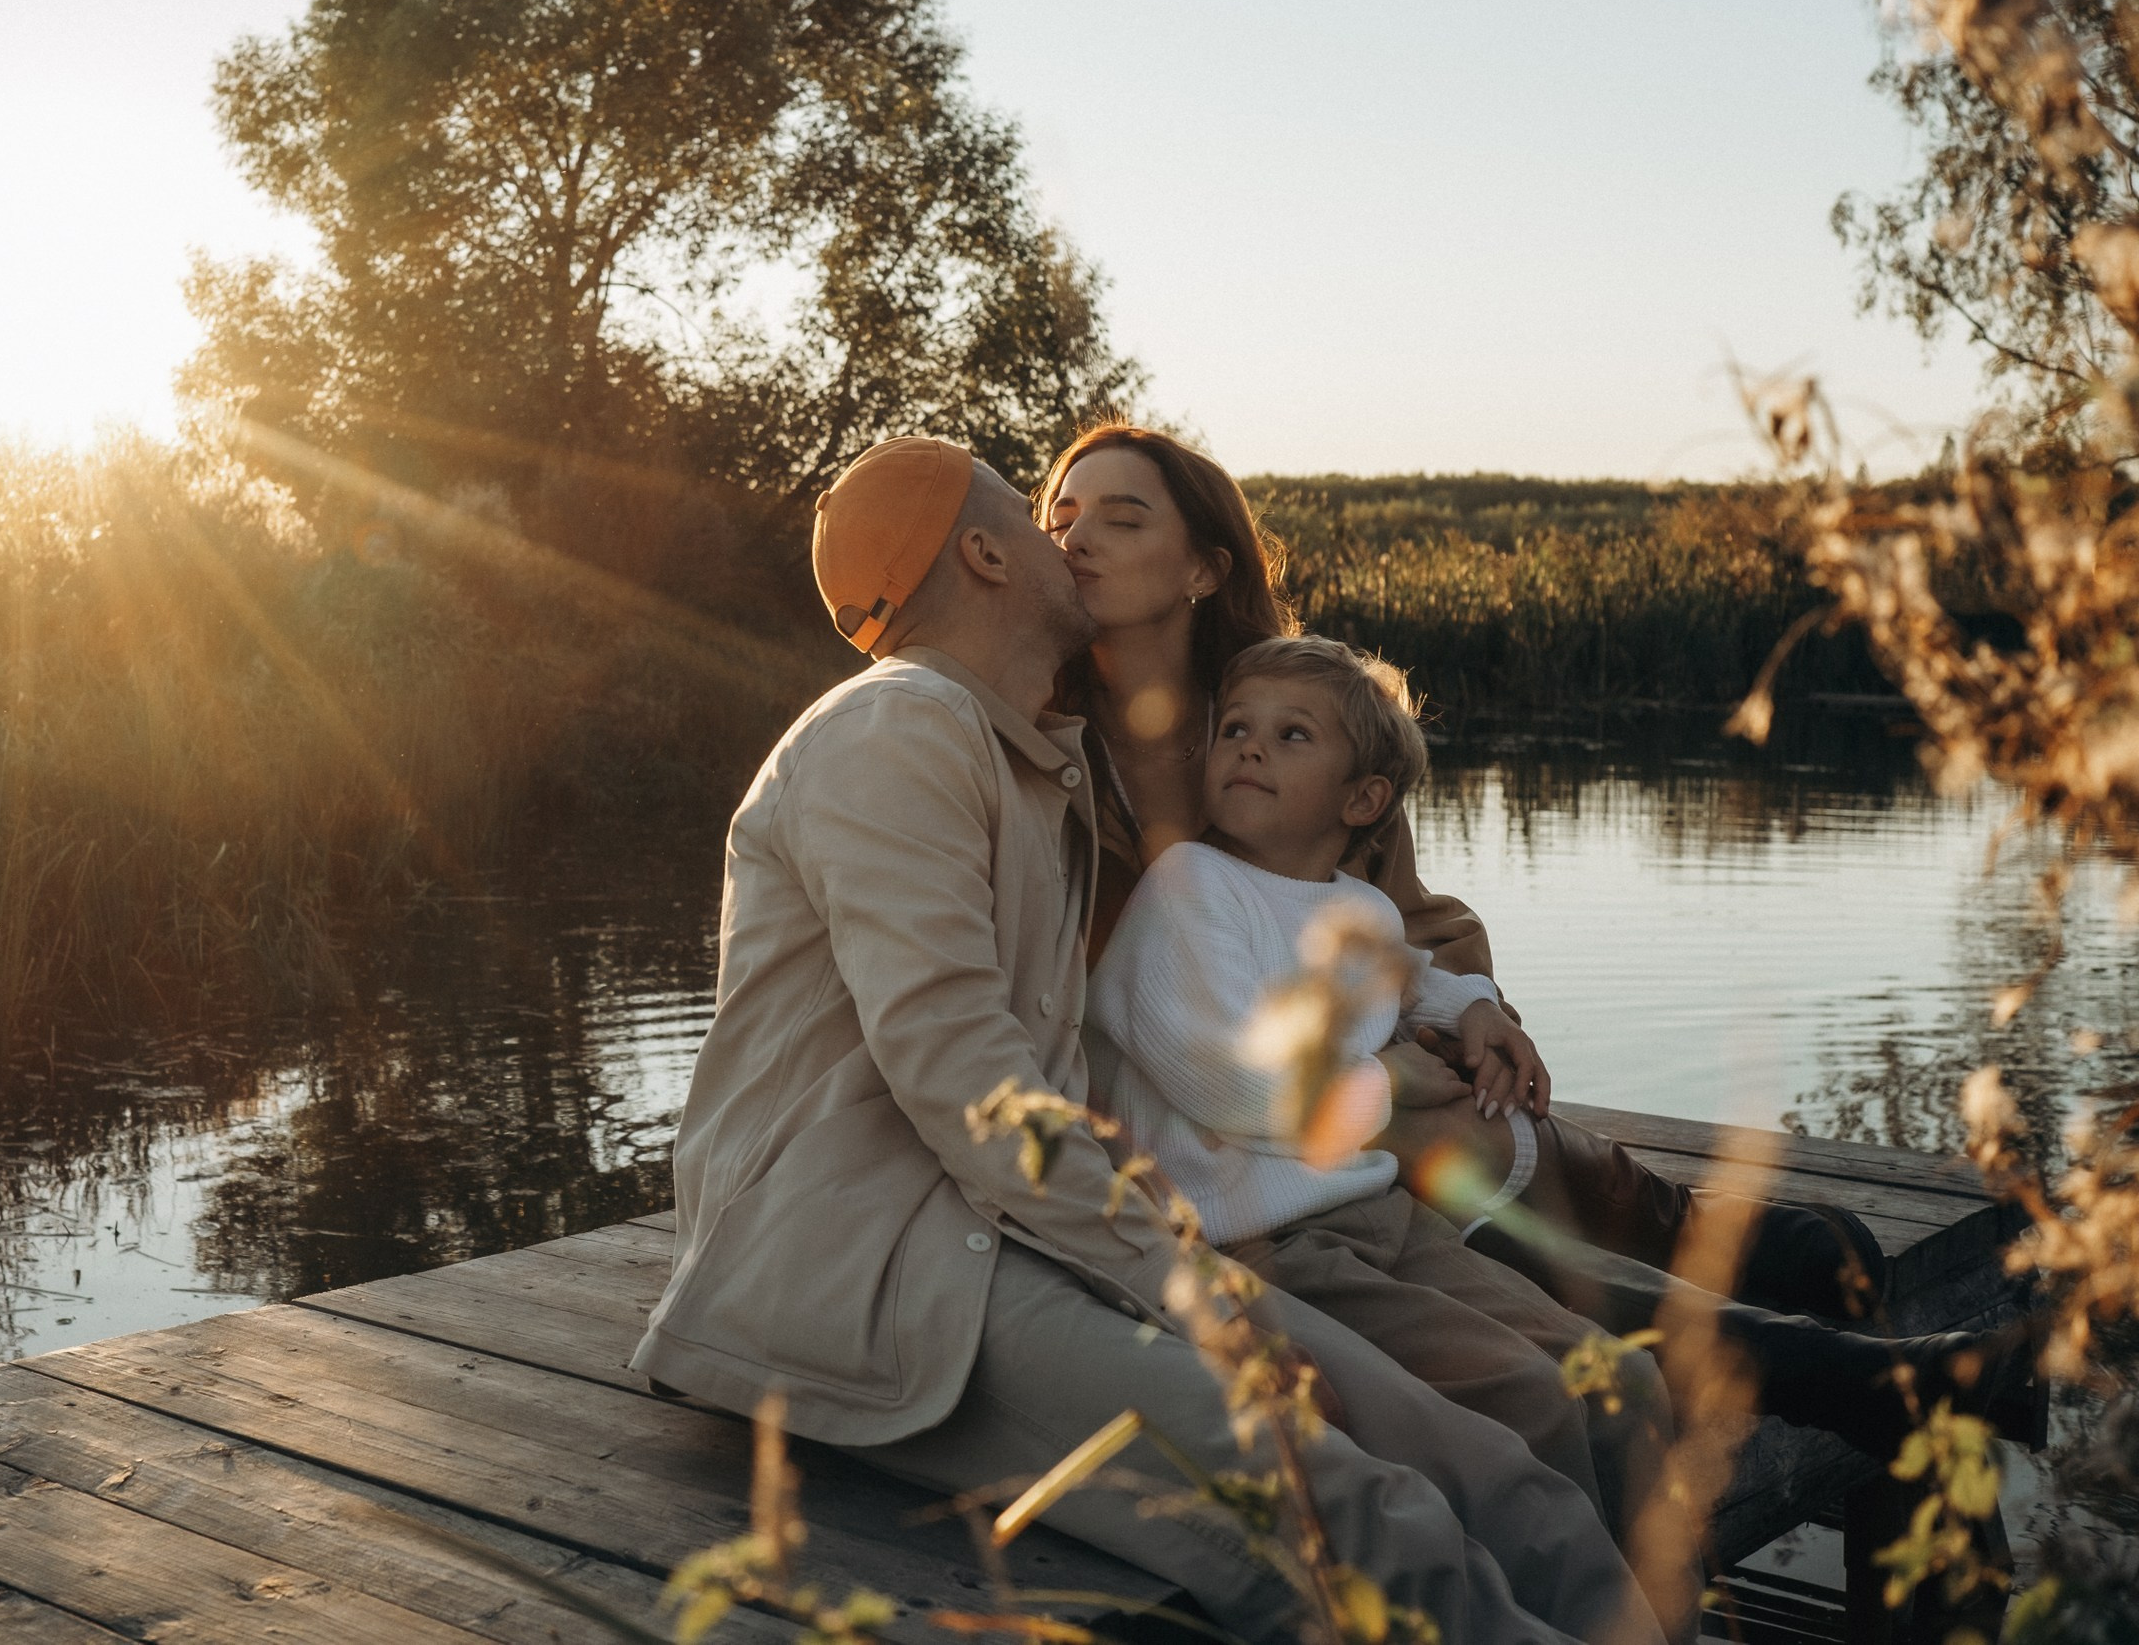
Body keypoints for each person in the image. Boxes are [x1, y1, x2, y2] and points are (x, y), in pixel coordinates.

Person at [632, 436, 1660, 1645]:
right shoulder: (896, 732)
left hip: (1035, 1234)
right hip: (878, 1274)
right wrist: (1175, 1265)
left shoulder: (1031, 760)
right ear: (981, 551)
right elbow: (968, 1084)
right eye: (1036, 510)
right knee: (1375, 1521)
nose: (1060, 533)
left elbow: (1351, 937)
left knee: (1499, 1476)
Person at [1086, 629, 2037, 1474]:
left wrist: (1476, 1010)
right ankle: (1828, 1365)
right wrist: (1387, 1080)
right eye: (1235, 730)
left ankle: (1796, 1356)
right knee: (1553, 1372)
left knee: (1604, 1368)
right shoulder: (1192, 883)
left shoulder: (1353, 903)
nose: (1249, 744)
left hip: (1378, 1201)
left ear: (1363, 797)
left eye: (1289, 734)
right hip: (1272, 1226)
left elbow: (1410, 968)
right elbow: (1224, 1071)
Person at [1038, 423, 1884, 1322]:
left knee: (1452, 1095)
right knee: (1410, 1112)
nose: (1076, 539)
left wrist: (1472, 1004)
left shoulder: (1293, 719)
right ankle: (1669, 1278)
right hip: (1155, 1109)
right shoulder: (1036, 739)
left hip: (1311, 1086)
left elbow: (1394, 917)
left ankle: (1688, 1243)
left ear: (1204, 569)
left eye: (1122, 520)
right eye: (1058, 517)